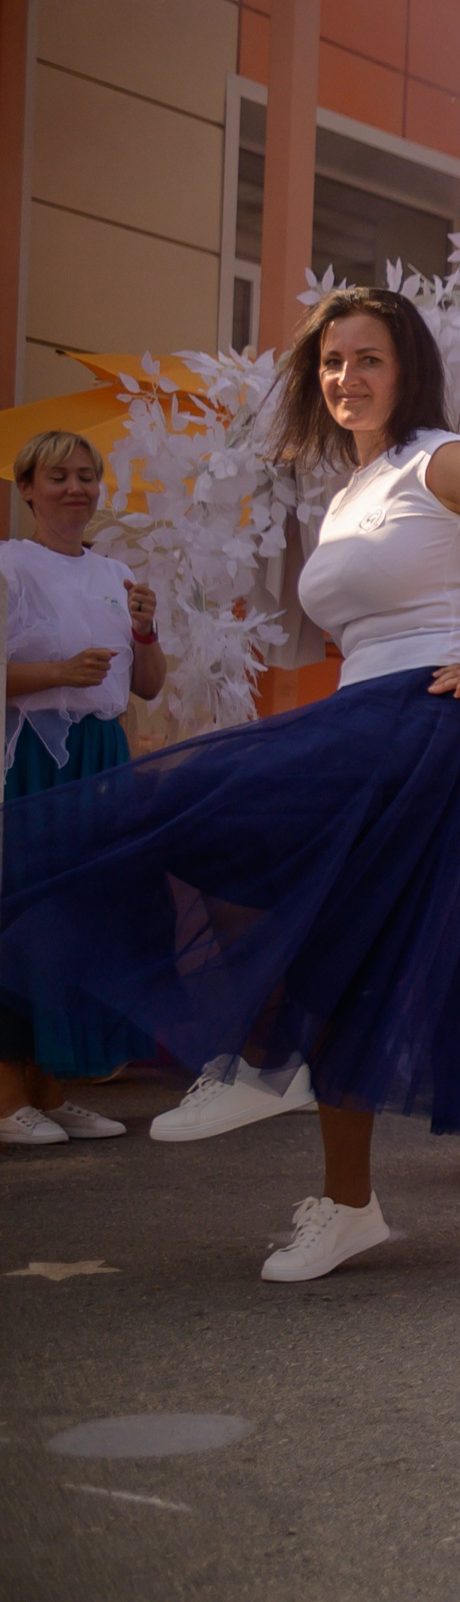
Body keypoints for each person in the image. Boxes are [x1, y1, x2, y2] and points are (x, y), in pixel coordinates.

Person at [0, 286, 460, 1278]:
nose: (345, 378)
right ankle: (347, 1202)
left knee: (183, 808)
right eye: (331, 362)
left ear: (407, 367)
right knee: (343, 950)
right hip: (373, 707)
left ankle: (256, 1052)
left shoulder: (440, 459)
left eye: (367, 359)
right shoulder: (350, 490)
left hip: (434, 712)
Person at [0, 432, 166, 1144]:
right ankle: (8, 1099)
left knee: (83, 920)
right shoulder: (11, 566)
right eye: (58, 476)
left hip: (102, 755)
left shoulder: (116, 571)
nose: (76, 488)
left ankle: (52, 1087)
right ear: (27, 488)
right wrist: (57, 674)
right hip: (36, 758)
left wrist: (146, 631)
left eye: (86, 476)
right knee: (24, 917)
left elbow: (148, 686)